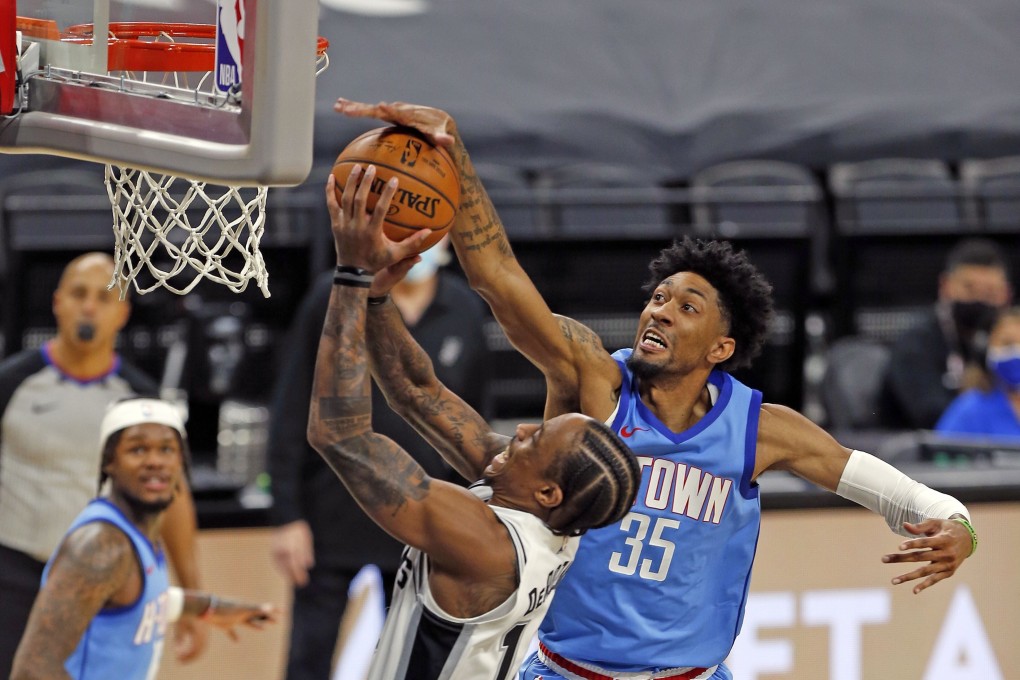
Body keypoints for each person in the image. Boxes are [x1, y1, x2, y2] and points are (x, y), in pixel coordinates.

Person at [335, 99, 980, 680]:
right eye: (659, 297)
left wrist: (958, 524)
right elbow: (499, 278)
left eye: (687, 306)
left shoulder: (761, 428)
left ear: (723, 348)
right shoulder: (594, 378)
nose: (660, 311)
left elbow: (891, 489)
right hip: (568, 670)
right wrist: (455, 157)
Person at [308, 166, 641, 679]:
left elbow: (340, 434)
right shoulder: (539, 505)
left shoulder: (483, 542)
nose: (523, 432)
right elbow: (418, 393)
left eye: (537, 441)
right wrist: (376, 298)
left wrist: (350, 275)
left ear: (550, 492)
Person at [268, 237, 492, 680]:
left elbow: (477, 425)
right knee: (307, 658)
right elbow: (292, 403)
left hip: (423, 520)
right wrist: (286, 514)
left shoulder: (464, 308)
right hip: (331, 514)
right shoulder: (332, 295)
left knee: (411, 660)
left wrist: (474, 518)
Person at [0, 252, 207, 679]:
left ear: (123, 313)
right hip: (12, 572)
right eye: (79, 294)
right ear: (58, 302)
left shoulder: (141, 400)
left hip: (98, 578)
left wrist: (189, 589)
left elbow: (173, 495)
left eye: (103, 297)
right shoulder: (12, 382)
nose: (89, 306)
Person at [10, 397, 276, 680]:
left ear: (181, 463)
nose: (154, 461)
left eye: (166, 449)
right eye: (138, 449)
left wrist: (210, 607)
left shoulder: (138, 535)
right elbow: (33, 671)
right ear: (109, 461)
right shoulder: (100, 545)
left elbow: (143, 599)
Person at [883, 237, 1012, 429]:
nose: (979, 300)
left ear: (1006, 295)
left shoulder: (1010, 345)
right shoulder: (915, 344)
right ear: (945, 286)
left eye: (990, 293)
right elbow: (931, 416)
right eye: (969, 289)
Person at [935, 306, 1020, 438]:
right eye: (1007, 344)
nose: (1017, 353)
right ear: (984, 350)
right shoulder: (969, 410)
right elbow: (940, 455)